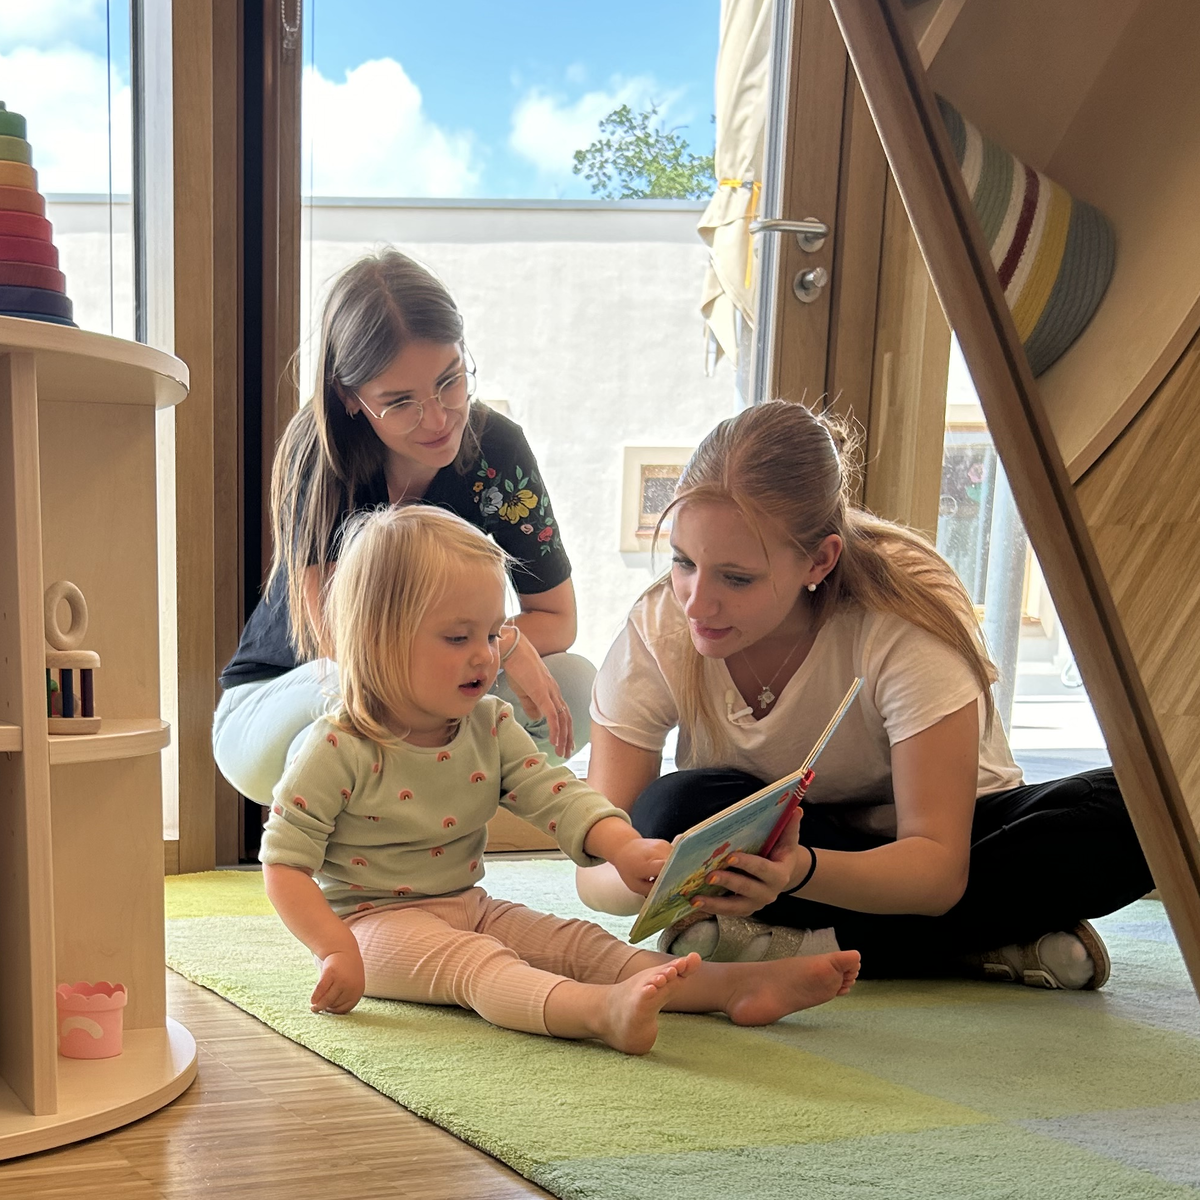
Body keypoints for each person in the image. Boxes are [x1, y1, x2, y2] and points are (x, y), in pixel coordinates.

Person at [578, 400, 1153, 990]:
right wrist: (636, 868)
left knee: (1151, 809)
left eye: (737, 577)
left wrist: (799, 871)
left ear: (819, 559)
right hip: (787, 851)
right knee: (672, 811)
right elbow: (594, 854)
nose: (697, 602)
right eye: (682, 562)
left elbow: (937, 872)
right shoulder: (659, 626)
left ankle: (797, 948)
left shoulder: (904, 617)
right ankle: (985, 940)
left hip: (943, 847)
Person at [259, 504, 861, 1054]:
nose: (486, 656)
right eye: (457, 637)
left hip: (468, 904)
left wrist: (621, 846)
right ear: (379, 640)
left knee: (581, 944)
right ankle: (601, 1013)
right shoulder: (337, 746)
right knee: (481, 967)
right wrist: (333, 949)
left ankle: (735, 987)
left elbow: (556, 793)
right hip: (369, 928)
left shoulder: (488, 724)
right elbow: (284, 864)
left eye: (493, 634)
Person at [214, 248, 592, 807]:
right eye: (400, 403)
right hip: (285, 703)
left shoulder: (498, 449)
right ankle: (336, 863)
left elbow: (557, 618)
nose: (438, 419)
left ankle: (426, 843)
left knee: (576, 686)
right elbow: (348, 649)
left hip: (421, 696)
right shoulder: (318, 456)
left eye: (450, 381)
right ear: (349, 398)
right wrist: (499, 643)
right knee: (357, 697)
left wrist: (499, 644)